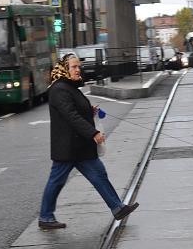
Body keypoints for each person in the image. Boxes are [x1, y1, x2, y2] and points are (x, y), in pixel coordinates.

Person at [38, 54, 139, 230]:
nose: (78, 70)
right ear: (64, 68)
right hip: (68, 147)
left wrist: (89, 110)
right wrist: (93, 133)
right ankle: (45, 217)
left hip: (79, 147)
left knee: (99, 173)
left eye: (78, 67)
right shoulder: (59, 89)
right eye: (74, 67)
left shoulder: (69, 86)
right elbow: (71, 115)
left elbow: (75, 109)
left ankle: (117, 208)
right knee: (56, 181)